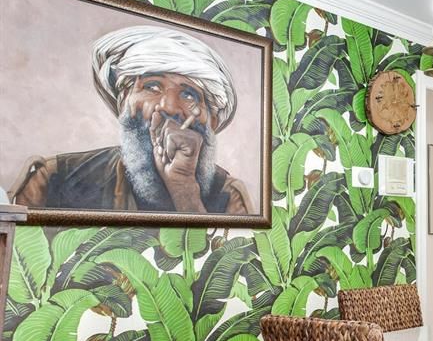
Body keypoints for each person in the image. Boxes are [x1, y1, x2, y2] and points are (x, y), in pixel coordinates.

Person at [10, 26, 253, 215]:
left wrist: (184, 186)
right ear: (124, 101)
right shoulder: (53, 177)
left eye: (189, 94)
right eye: (152, 86)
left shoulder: (228, 196)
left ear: (211, 121)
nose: (168, 107)